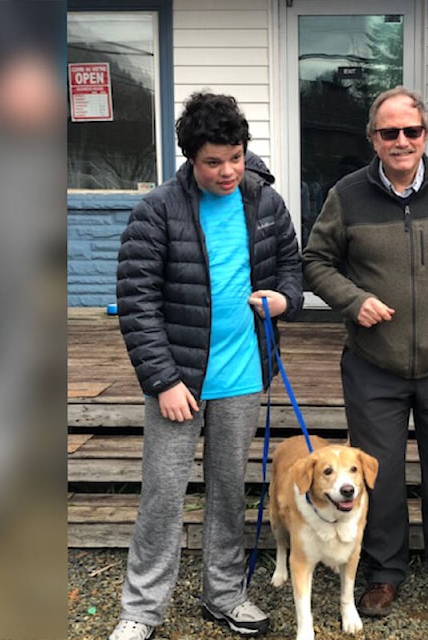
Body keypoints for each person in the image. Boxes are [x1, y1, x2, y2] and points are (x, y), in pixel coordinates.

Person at [302, 86, 428, 617]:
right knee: (379, 473)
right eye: (388, 132)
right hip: (375, 365)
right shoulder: (346, 196)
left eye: (410, 131)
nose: (400, 141)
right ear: (372, 138)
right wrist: (353, 300)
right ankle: (384, 570)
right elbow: (316, 262)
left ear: (425, 134)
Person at [110, 92, 303, 640]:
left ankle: (223, 595)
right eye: (213, 161)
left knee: (227, 491)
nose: (227, 171)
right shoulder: (158, 209)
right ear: (190, 158)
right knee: (164, 496)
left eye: (236, 157)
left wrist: (286, 299)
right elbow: (137, 301)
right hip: (180, 382)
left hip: (243, 377)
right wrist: (164, 380)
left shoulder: (265, 202)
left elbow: (291, 266)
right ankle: (141, 610)